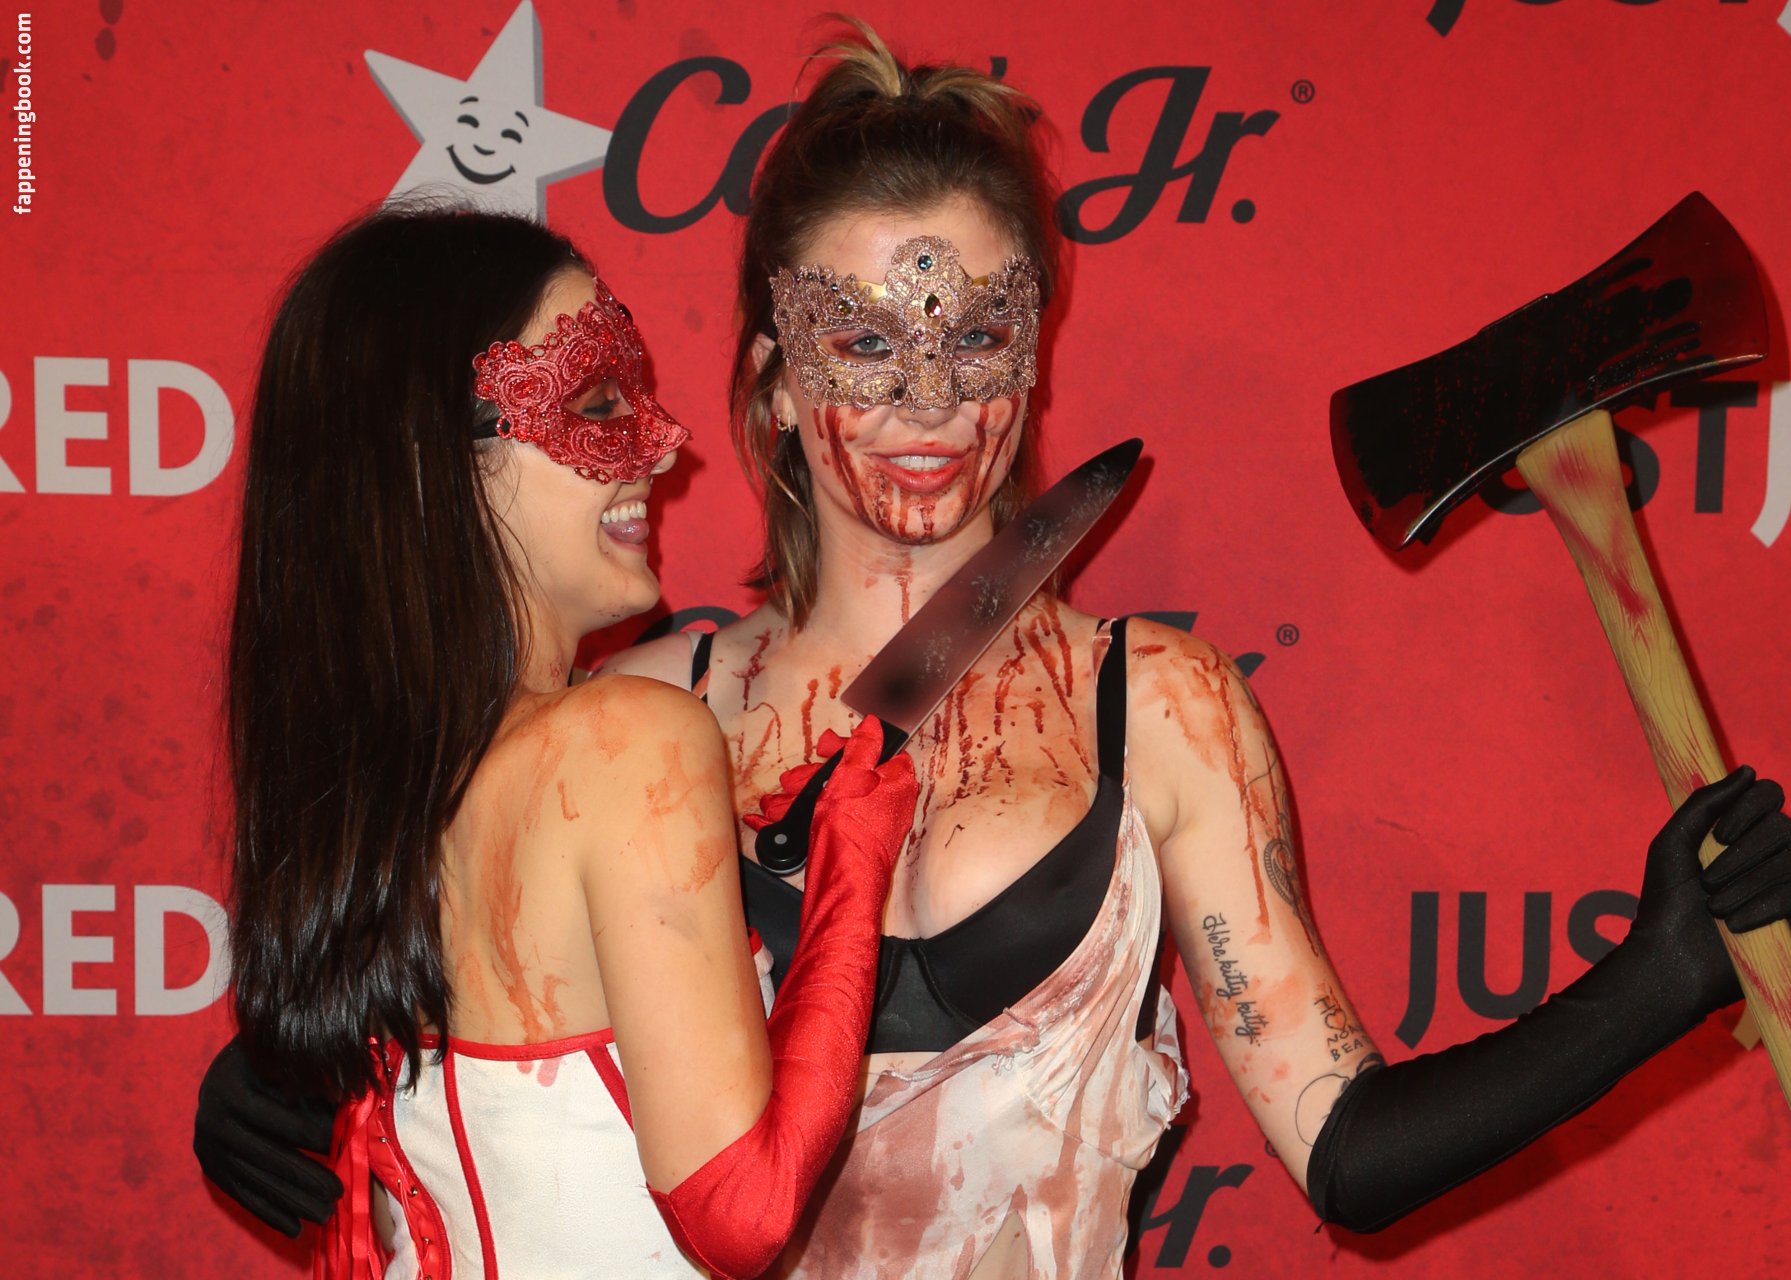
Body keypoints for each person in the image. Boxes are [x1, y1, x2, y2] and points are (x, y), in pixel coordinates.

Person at [197, 31, 1791, 1279]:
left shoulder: (1156, 709)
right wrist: (284, 1083)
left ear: (1032, 366)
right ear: (769, 376)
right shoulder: (632, 711)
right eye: (860, 341)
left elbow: (1348, 1151)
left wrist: (1655, 976)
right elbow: (486, 1077)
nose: (927, 400)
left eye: (975, 337)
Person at [208, 203, 917, 1280]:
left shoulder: (374, 805)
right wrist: (850, 870)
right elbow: (741, 1214)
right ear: (429, 462)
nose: (663, 442)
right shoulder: (626, 739)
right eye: (594, 402)